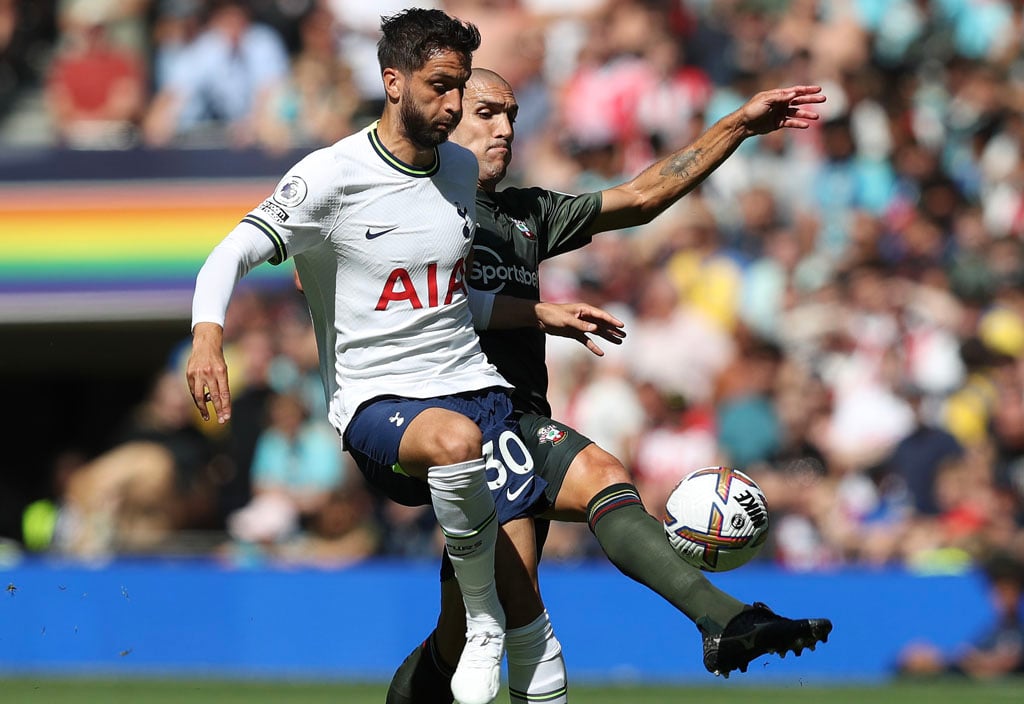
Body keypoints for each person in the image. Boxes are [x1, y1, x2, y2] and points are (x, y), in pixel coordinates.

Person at [186, 11, 622, 704]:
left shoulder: (457, 168)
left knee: (536, 597)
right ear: (393, 81)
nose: (454, 106)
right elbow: (229, 252)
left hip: (473, 386)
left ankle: (522, 648)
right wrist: (208, 338)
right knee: (457, 451)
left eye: (459, 90)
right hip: (376, 399)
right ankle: (483, 627)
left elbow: (446, 297)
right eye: (440, 87)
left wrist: (536, 312)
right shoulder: (331, 175)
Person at [387, 68, 835, 703]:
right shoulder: (408, 203)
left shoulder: (526, 214)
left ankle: (726, 621)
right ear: (445, 114)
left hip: (515, 416)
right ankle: (725, 618)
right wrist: (535, 312)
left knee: (462, 631)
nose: (506, 128)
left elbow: (642, 196)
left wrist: (738, 124)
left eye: (512, 114)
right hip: (448, 420)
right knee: (550, 562)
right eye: (487, 113)